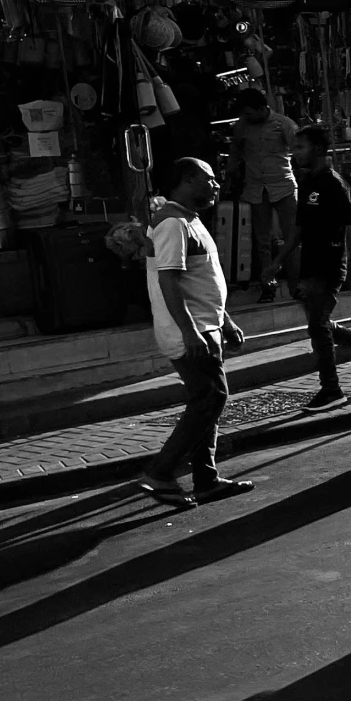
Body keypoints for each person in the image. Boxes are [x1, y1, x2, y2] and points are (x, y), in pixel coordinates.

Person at [136, 157, 254, 508]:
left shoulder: (190, 221)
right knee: (210, 399)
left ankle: (206, 478)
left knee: (210, 402)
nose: (216, 185)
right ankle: (161, 472)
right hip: (191, 331)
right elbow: (168, 280)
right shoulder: (172, 223)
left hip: (206, 325)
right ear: (186, 181)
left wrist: (226, 320)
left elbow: (200, 283)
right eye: (209, 179)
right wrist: (190, 331)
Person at [264, 126, 351, 412]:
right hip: (309, 264)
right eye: (294, 148)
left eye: (300, 147)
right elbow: (298, 230)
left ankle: (331, 388)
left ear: (319, 150)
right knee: (320, 324)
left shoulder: (334, 184)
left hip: (330, 265)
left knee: (317, 326)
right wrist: (277, 262)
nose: (294, 153)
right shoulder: (306, 182)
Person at [227, 88, 299, 302]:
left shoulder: (284, 124)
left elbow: (300, 151)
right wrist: (229, 178)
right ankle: (269, 287)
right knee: (262, 242)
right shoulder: (241, 127)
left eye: (249, 113)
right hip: (256, 189)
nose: (246, 118)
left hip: (284, 187)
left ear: (261, 108)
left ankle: (296, 286)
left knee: (292, 239)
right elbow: (235, 154)